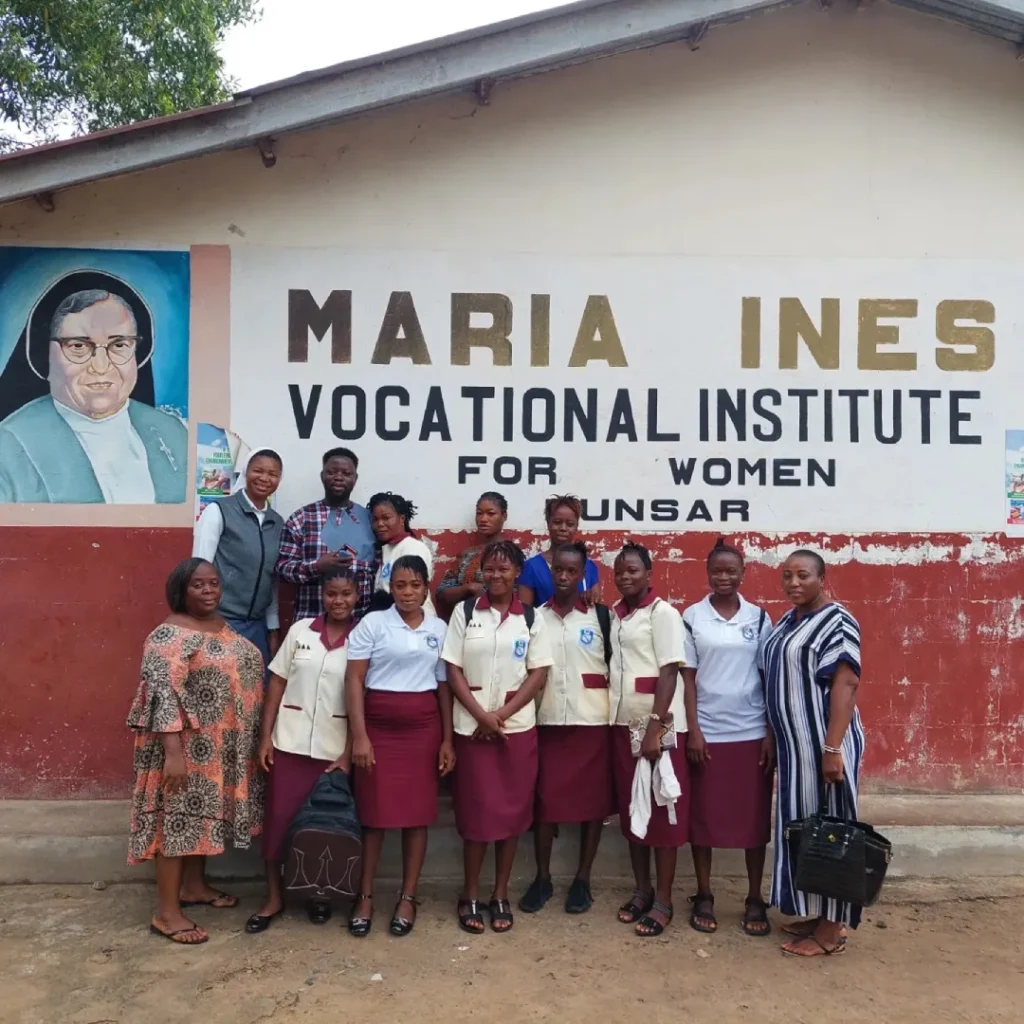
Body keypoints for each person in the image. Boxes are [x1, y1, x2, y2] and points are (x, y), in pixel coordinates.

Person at [126, 558, 264, 945]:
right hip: (184, 749)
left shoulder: (219, 625)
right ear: (180, 590)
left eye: (213, 584)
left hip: (216, 750)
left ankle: (194, 887)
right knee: (176, 822)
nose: (208, 591)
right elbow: (162, 694)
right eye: (198, 585)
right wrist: (173, 752)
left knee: (197, 817)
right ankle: (167, 913)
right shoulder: (168, 635)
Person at [441, 540, 553, 935]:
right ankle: (470, 893)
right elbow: (452, 668)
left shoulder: (533, 619)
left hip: (515, 732)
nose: (496, 575)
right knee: (476, 816)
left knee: (511, 815)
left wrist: (501, 716)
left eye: (505, 569)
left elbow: (537, 673)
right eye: (490, 568)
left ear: (517, 572)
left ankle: (500, 893)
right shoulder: (465, 612)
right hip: (472, 731)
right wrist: (480, 716)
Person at [0, 273, 188, 503]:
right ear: (45, 355)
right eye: (79, 345)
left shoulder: (175, 433)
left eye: (119, 344)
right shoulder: (7, 448)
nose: (101, 366)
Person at [763, 549, 865, 958]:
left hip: (824, 748)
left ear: (823, 578)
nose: (793, 583)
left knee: (835, 830)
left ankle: (831, 931)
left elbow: (846, 683)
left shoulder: (837, 621)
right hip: (795, 752)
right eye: (786, 575)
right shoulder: (789, 620)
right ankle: (817, 912)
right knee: (808, 830)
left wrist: (832, 748)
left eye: (803, 575)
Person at [246, 566, 359, 933]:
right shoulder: (300, 631)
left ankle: (319, 895)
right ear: (322, 596)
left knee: (325, 827)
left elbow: (367, 699)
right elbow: (276, 683)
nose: (338, 601)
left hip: (333, 749)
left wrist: (348, 752)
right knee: (279, 822)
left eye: (345, 594)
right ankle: (274, 897)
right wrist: (265, 737)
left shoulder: (364, 639)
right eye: (331, 594)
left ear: (356, 597)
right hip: (289, 744)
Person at [345, 555, 453, 937]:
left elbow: (443, 686)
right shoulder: (373, 623)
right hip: (378, 729)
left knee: (417, 818)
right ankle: (366, 896)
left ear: (426, 587)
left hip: (423, 729)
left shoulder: (440, 628)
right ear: (390, 588)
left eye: (415, 585)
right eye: (400, 585)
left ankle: (408, 897)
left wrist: (447, 740)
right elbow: (355, 681)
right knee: (373, 818)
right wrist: (360, 736)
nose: (408, 593)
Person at [682, 538, 775, 937]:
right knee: (703, 819)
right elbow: (687, 679)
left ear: (743, 574)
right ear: (708, 573)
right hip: (709, 733)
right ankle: (704, 894)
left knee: (753, 821)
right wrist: (694, 731)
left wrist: (770, 731)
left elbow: (768, 677)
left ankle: (755, 897)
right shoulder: (691, 617)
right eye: (717, 571)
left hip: (751, 733)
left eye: (730, 571)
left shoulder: (759, 618)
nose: (723, 577)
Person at [520, 541, 613, 916]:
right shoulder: (534, 618)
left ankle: (583, 879)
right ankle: (542, 878)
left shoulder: (601, 616)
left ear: (584, 574)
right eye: (558, 569)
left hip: (591, 721)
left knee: (593, 806)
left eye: (572, 571)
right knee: (545, 804)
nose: (563, 576)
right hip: (547, 720)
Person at [608, 542, 689, 938]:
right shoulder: (616, 615)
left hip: (658, 726)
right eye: (619, 571)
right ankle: (642, 889)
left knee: (662, 809)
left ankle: (665, 899)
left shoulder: (664, 613)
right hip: (625, 724)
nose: (625, 576)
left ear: (649, 573)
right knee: (631, 807)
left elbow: (669, 672)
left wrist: (656, 727)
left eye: (633, 570)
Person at [193, 448, 285, 667]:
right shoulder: (219, 511)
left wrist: (272, 627)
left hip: (256, 627)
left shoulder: (277, 523)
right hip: (219, 621)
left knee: (253, 695)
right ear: (246, 472)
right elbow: (198, 569)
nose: (264, 478)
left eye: (272, 474)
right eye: (258, 471)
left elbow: (272, 580)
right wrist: (201, 622)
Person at [276, 448, 377, 622]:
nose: (339, 477)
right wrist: (317, 567)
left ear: (355, 479)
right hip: (310, 623)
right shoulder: (301, 518)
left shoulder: (369, 520)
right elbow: (282, 569)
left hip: (360, 626)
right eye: (332, 472)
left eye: (346, 473)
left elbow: (379, 570)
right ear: (322, 476)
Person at [516, 495, 600, 607]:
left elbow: (596, 608)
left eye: (570, 524)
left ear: (576, 526)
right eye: (557, 522)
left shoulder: (589, 567)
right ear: (548, 523)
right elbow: (525, 614)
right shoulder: (531, 567)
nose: (563, 528)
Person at [435, 491, 507, 618]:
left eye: (491, 513)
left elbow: (514, 595)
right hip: (463, 622)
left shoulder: (511, 555)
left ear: (504, 516)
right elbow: (442, 594)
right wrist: (469, 588)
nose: (483, 519)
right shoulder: (467, 554)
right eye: (479, 513)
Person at [367, 491, 436, 615]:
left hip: (413, 620)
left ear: (402, 518)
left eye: (386, 518)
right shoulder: (387, 549)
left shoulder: (413, 548)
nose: (379, 524)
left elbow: (411, 595)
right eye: (375, 519)